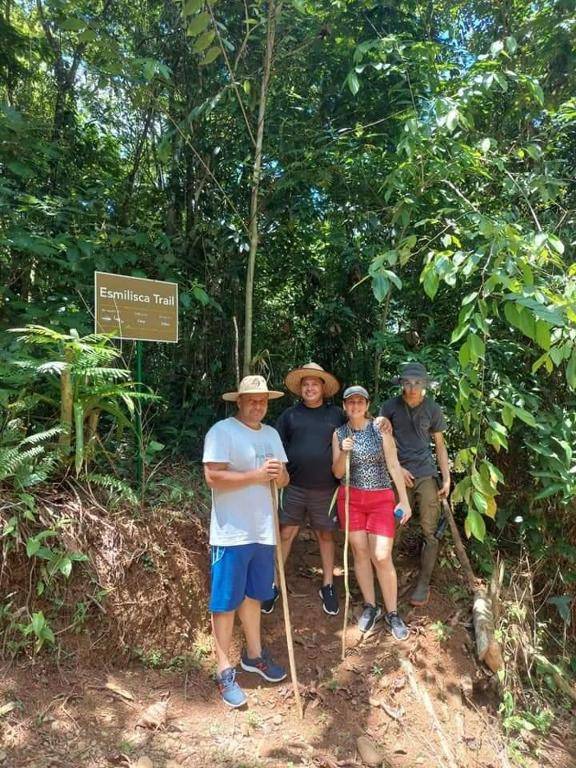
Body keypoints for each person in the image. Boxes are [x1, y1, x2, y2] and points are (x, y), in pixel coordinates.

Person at [203, 374, 290, 708]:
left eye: (263, 400)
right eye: (252, 399)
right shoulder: (222, 432)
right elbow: (213, 477)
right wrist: (255, 475)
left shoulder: (271, 434)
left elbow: (283, 478)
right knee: (225, 601)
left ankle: (254, 656)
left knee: (254, 595)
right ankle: (224, 667)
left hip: (264, 531)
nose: (258, 405)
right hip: (231, 532)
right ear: (238, 401)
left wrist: (279, 474)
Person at [261, 362, 346, 616]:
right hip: (294, 486)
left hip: (326, 488)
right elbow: (274, 444)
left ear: (323, 388)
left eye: (314, 384)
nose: (310, 388)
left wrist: (381, 423)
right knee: (286, 532)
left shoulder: (337, 416)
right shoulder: (289, 415)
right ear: (301, 389)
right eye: (305, 385)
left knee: (325, 535)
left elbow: (358, 427)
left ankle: (328, 585)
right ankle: (273, 585)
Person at [332, 385, 412, 640]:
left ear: (367, 405)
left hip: (380, 497)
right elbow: (337, 473)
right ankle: (370, 605)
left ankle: (392, 612)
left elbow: (392, 463)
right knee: (360, 550)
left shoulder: (380, 428)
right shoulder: (339, 433)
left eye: (360, 402)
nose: (355, 406)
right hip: (351, 497)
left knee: (381, 554)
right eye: (350, 402)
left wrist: (405, 500)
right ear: (344, 406)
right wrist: (344, 450)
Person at [379, 362, 450, 607]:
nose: (412, 388)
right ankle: (388, 578)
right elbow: (380, 440)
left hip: (426, 474)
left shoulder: (432, 408)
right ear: (401, 384)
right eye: (408, 383)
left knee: (430, 530)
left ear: (424, 385)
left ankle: (423, 583)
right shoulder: (389, 407)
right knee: (394, 524)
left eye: (417, 383)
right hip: (399, 475)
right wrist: (398, 467)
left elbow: (440, 446)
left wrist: (447, 477)